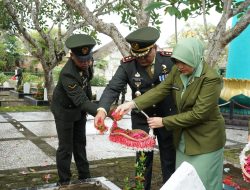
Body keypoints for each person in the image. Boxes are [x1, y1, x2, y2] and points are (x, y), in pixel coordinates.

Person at [115, 37, 226, 190]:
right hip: (184, 139)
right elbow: (161, 90)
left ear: (195, 57)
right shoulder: (177, 71)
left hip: (206, 140)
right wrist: (133, 104)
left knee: (204, 183)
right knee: (185, 182)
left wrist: (164, 122)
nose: (179, 66)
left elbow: (198, 114)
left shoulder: (211, 79)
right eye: (176, 61)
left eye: (184, 62)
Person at [94, 26, 176, 190]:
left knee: (169, 159)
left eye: (146, 55)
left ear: (154, 47)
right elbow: (112, 88)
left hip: (166, 117)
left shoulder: (169, 60)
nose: (142, 60)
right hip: (142, 119)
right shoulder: (128, 64)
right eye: (138, 56)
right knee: (143, 161)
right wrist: (102, 110)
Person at [50, 34, 98, 186]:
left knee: (80, 144)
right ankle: (64, 181)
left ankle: (85, 177)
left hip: (79, 110)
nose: (86, 63)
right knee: (66, 148)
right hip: (64, 111)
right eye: (81, 60)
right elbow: (80, 99)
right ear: (71, 56)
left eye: (88, 59)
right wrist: (102, 111)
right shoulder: (67, 73)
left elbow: (86, 84)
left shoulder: (87, 64)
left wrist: (93, 103)